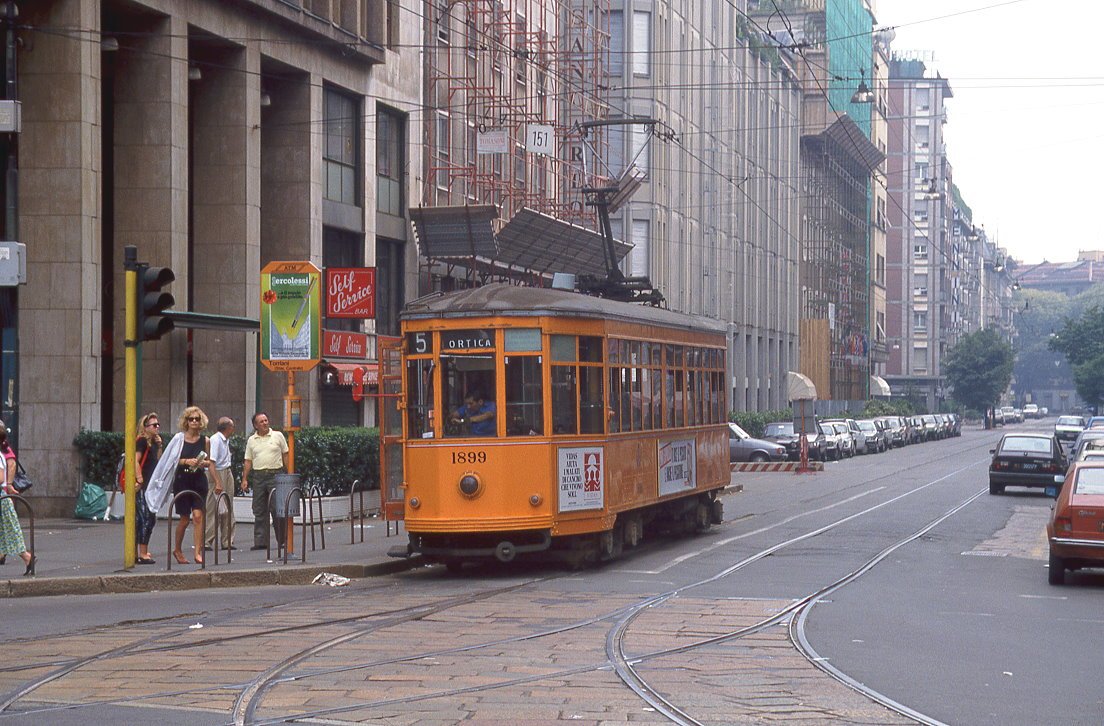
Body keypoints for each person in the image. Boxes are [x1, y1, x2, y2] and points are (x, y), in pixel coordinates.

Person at [241, 412, 289, 551]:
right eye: (261, 421)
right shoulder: (252, 440)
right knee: (259, 509)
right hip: (259, 476)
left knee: (277, 508)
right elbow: (248, 460)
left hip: (275, 475)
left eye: (266, 420)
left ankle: (283, 540)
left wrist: (289, 473)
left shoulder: (278, 436)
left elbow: (286, 454)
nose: (265, 423)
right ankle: (261, 541)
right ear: (256, 425)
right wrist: (244, 479)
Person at [171, 406, 211, 565]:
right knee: (184, 518)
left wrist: (202, 463)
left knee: (198, 516)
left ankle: (197, 552)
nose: (194, 422)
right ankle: (177, 549)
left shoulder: (205, 440)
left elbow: (209, 461)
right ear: (186, 421)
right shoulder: (179, 439)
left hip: (198, 480)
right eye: (191, 419)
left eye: (197, 419)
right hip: (182, 480)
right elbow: (172, 460)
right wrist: (187, 461)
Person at [0, 421, 35, 575]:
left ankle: (27, 557)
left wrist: (8, 484)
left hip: (1, 498)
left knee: (10, 530)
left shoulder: (1, 455)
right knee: (7, 530)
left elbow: (1, 477)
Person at [133, 412, 164, 565]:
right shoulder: (142, 441)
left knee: (144, 518)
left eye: (158, 424)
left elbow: (158, 461)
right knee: (146, 518)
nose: (157, 427)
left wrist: (160, 445)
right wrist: (139, 478)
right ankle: (142, 553)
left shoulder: (152, 442)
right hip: (144, 485)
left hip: (150, 485)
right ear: (145, 427)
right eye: (154, 425)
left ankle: (138, 551)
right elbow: (135, 460)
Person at [204, 417, 236, 552]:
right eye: (232, 426)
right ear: (228, 428)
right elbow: (211, 462)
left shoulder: (225, 440)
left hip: (226, 470)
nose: (234, 429)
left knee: (228, 506)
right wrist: (217, 481)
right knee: (213, 507)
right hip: (217, 472)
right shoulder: (216, 440)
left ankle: (227, 541)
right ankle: (207, 540)